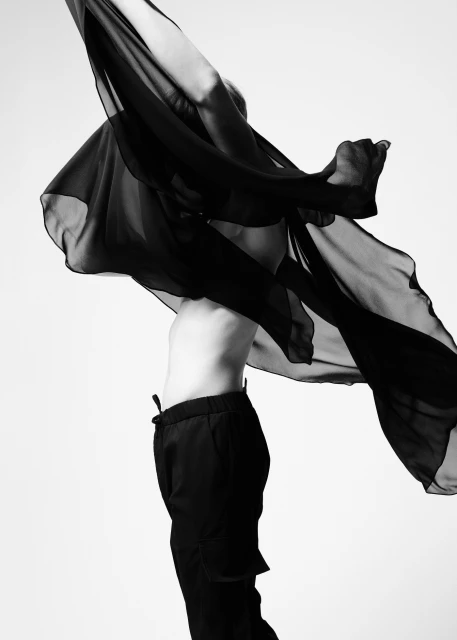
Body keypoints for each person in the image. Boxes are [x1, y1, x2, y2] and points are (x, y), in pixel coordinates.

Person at [41, 0, 457, 638]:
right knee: (213, 611)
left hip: (212, 434)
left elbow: (207, 89)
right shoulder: (205, 229)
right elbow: (148, 138)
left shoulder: (256, 214)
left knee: (221, 618)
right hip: (186, 433)